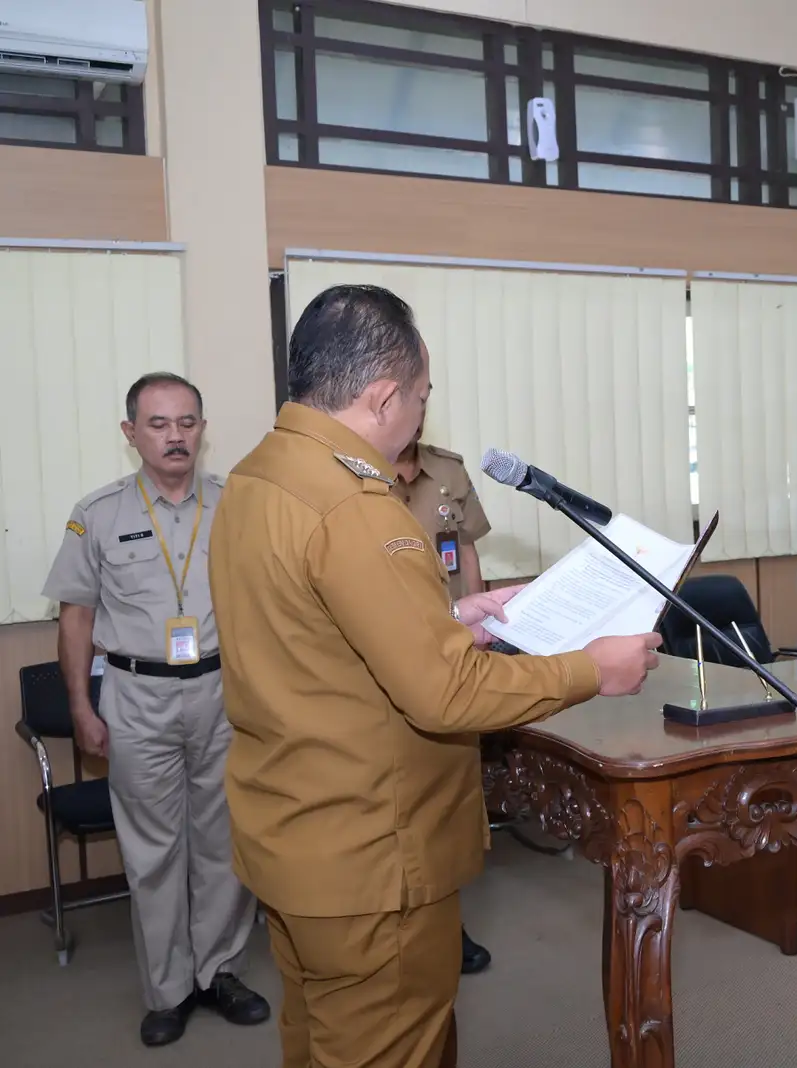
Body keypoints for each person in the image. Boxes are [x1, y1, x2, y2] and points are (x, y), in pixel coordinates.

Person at [210, 284, 663, 1068]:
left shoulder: (259, 477)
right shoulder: (355, 506)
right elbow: (443, 695)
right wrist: (592, 668)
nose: (422, 413)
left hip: (291, 835)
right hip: (368, 854)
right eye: (422, 396)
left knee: (318, 1045)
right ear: (384, 396)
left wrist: (447, 619)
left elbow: (304, 634)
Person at [43, 372, 269, 1047]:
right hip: (136, 696)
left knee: (225, 840)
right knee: (153, 851)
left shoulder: (237, 506)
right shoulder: (100, 513)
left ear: (203, 428)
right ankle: (169, 990)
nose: (176, 436)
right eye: (160, 424)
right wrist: (82, 706)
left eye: (188, 422)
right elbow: (76, 619)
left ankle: (220, 972)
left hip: (222, 693)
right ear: (131, 433)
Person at [392, 423, 495, 975]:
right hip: (393, 655)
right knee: (403, 797)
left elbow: (468, 555)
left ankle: (449, 925)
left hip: (456, 646)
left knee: (453, 798)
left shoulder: (448, 470)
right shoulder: (356, 472)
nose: (417, 408)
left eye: (425, 396)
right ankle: (403, 927)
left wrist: (481, 633)